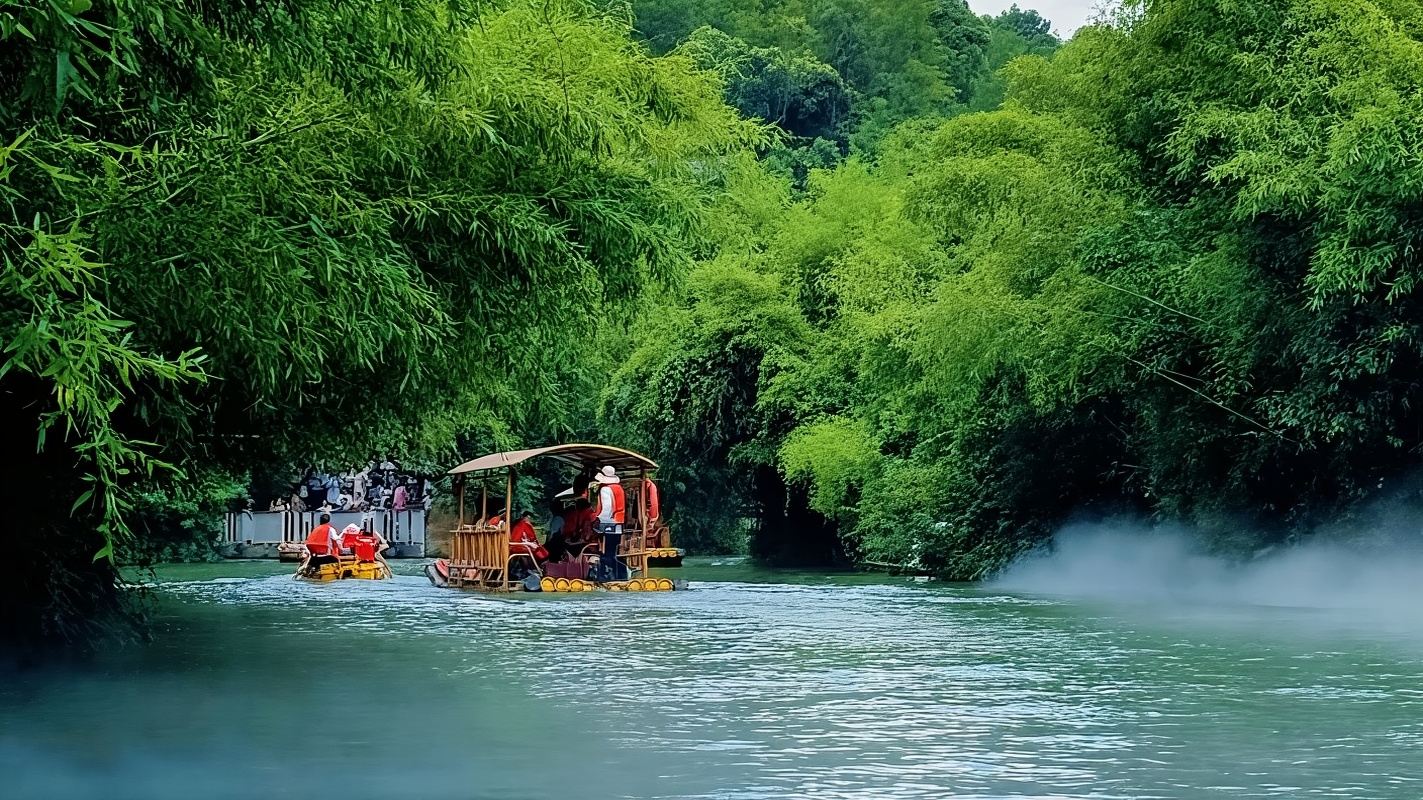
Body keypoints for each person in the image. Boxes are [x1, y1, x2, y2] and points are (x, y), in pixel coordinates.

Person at [593, 466, 627, 581]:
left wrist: (597, 520)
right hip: (619, 522)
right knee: (613, 549)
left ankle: (606, 574)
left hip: (609, 522)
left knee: (607, 550)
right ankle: (618, 574)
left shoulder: (605, 489)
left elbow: (607, 508)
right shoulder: (619, 488)